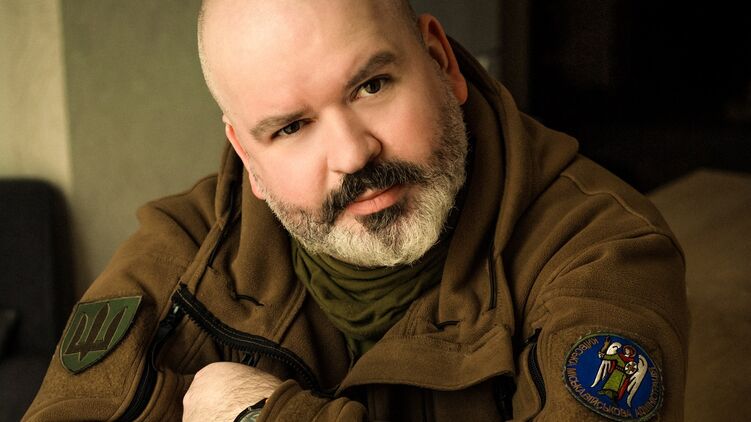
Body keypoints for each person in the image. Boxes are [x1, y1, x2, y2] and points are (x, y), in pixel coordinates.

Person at [24, 0, 689, 420]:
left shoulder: (601, 246)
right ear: (247, 155)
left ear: (441, 62)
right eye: (291, 127)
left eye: (371, 86)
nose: (352, 154)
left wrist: (259, 414)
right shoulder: (181, 250)